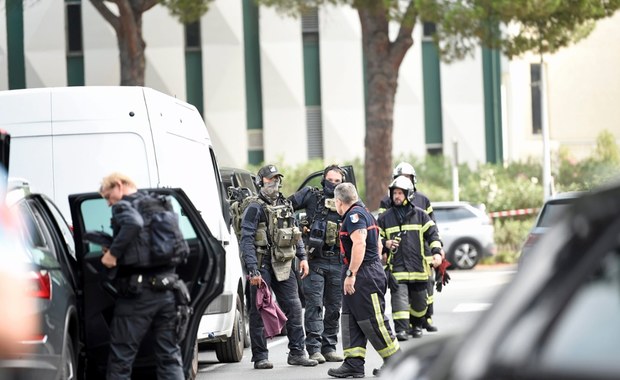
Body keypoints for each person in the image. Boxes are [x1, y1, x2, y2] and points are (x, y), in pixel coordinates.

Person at [98, 173, 184, 380]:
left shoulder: (124, 207)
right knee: (170, 355)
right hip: (169, 290)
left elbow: (134, 224)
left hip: (138, 295)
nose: (109, 203)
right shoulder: (157, 204)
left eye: (109, 196)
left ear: (119, 186)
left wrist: (112, 254)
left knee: (121, 357)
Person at [240, 164, 318, 369]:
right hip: (261, 264)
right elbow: (246, 239)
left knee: (293, 306)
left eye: (276, 179)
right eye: (269, 179)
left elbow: (295, 232)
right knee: (258, 311)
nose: (274, 183)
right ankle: (260, 357)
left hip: (283, 263)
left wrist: (302, 257)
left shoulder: (285, 204)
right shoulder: (254, 207)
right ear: (260, 182)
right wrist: (252, 269)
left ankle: (297, 352)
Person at [327, 182, 400, 378]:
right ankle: (353, 363)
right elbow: (376, 245)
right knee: (351, 320)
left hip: (363, 275)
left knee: (373, 321)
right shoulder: (366, 213)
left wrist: (352, 274)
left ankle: (397, 363)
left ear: (339, 202)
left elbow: (359, 243)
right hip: (366, 271)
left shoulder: (353, 216)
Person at [288, 165, 346, 364]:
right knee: (314, 305)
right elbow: (285, 209)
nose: (333, 184)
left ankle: (328, 347)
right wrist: (298, 231)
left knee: (333, 307)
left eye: (337, 181)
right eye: (330, 180)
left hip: (338, 261)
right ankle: (314, 348)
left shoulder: (348, 201)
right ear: (323, 180)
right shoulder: (311, 195)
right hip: (314, 260)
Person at [377, 176, 444, 340]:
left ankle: (417, 325)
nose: (396, 196)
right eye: (394, 193)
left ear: (409, 194)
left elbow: (433, 235)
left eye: (400, 193)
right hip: (397, 270)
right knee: (399, 302)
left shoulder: (421, 215)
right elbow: (376, 239)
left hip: (418, 269)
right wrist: (386, 243)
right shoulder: (384, 218)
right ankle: (401, 329)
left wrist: (436, 252)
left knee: (420, 303)